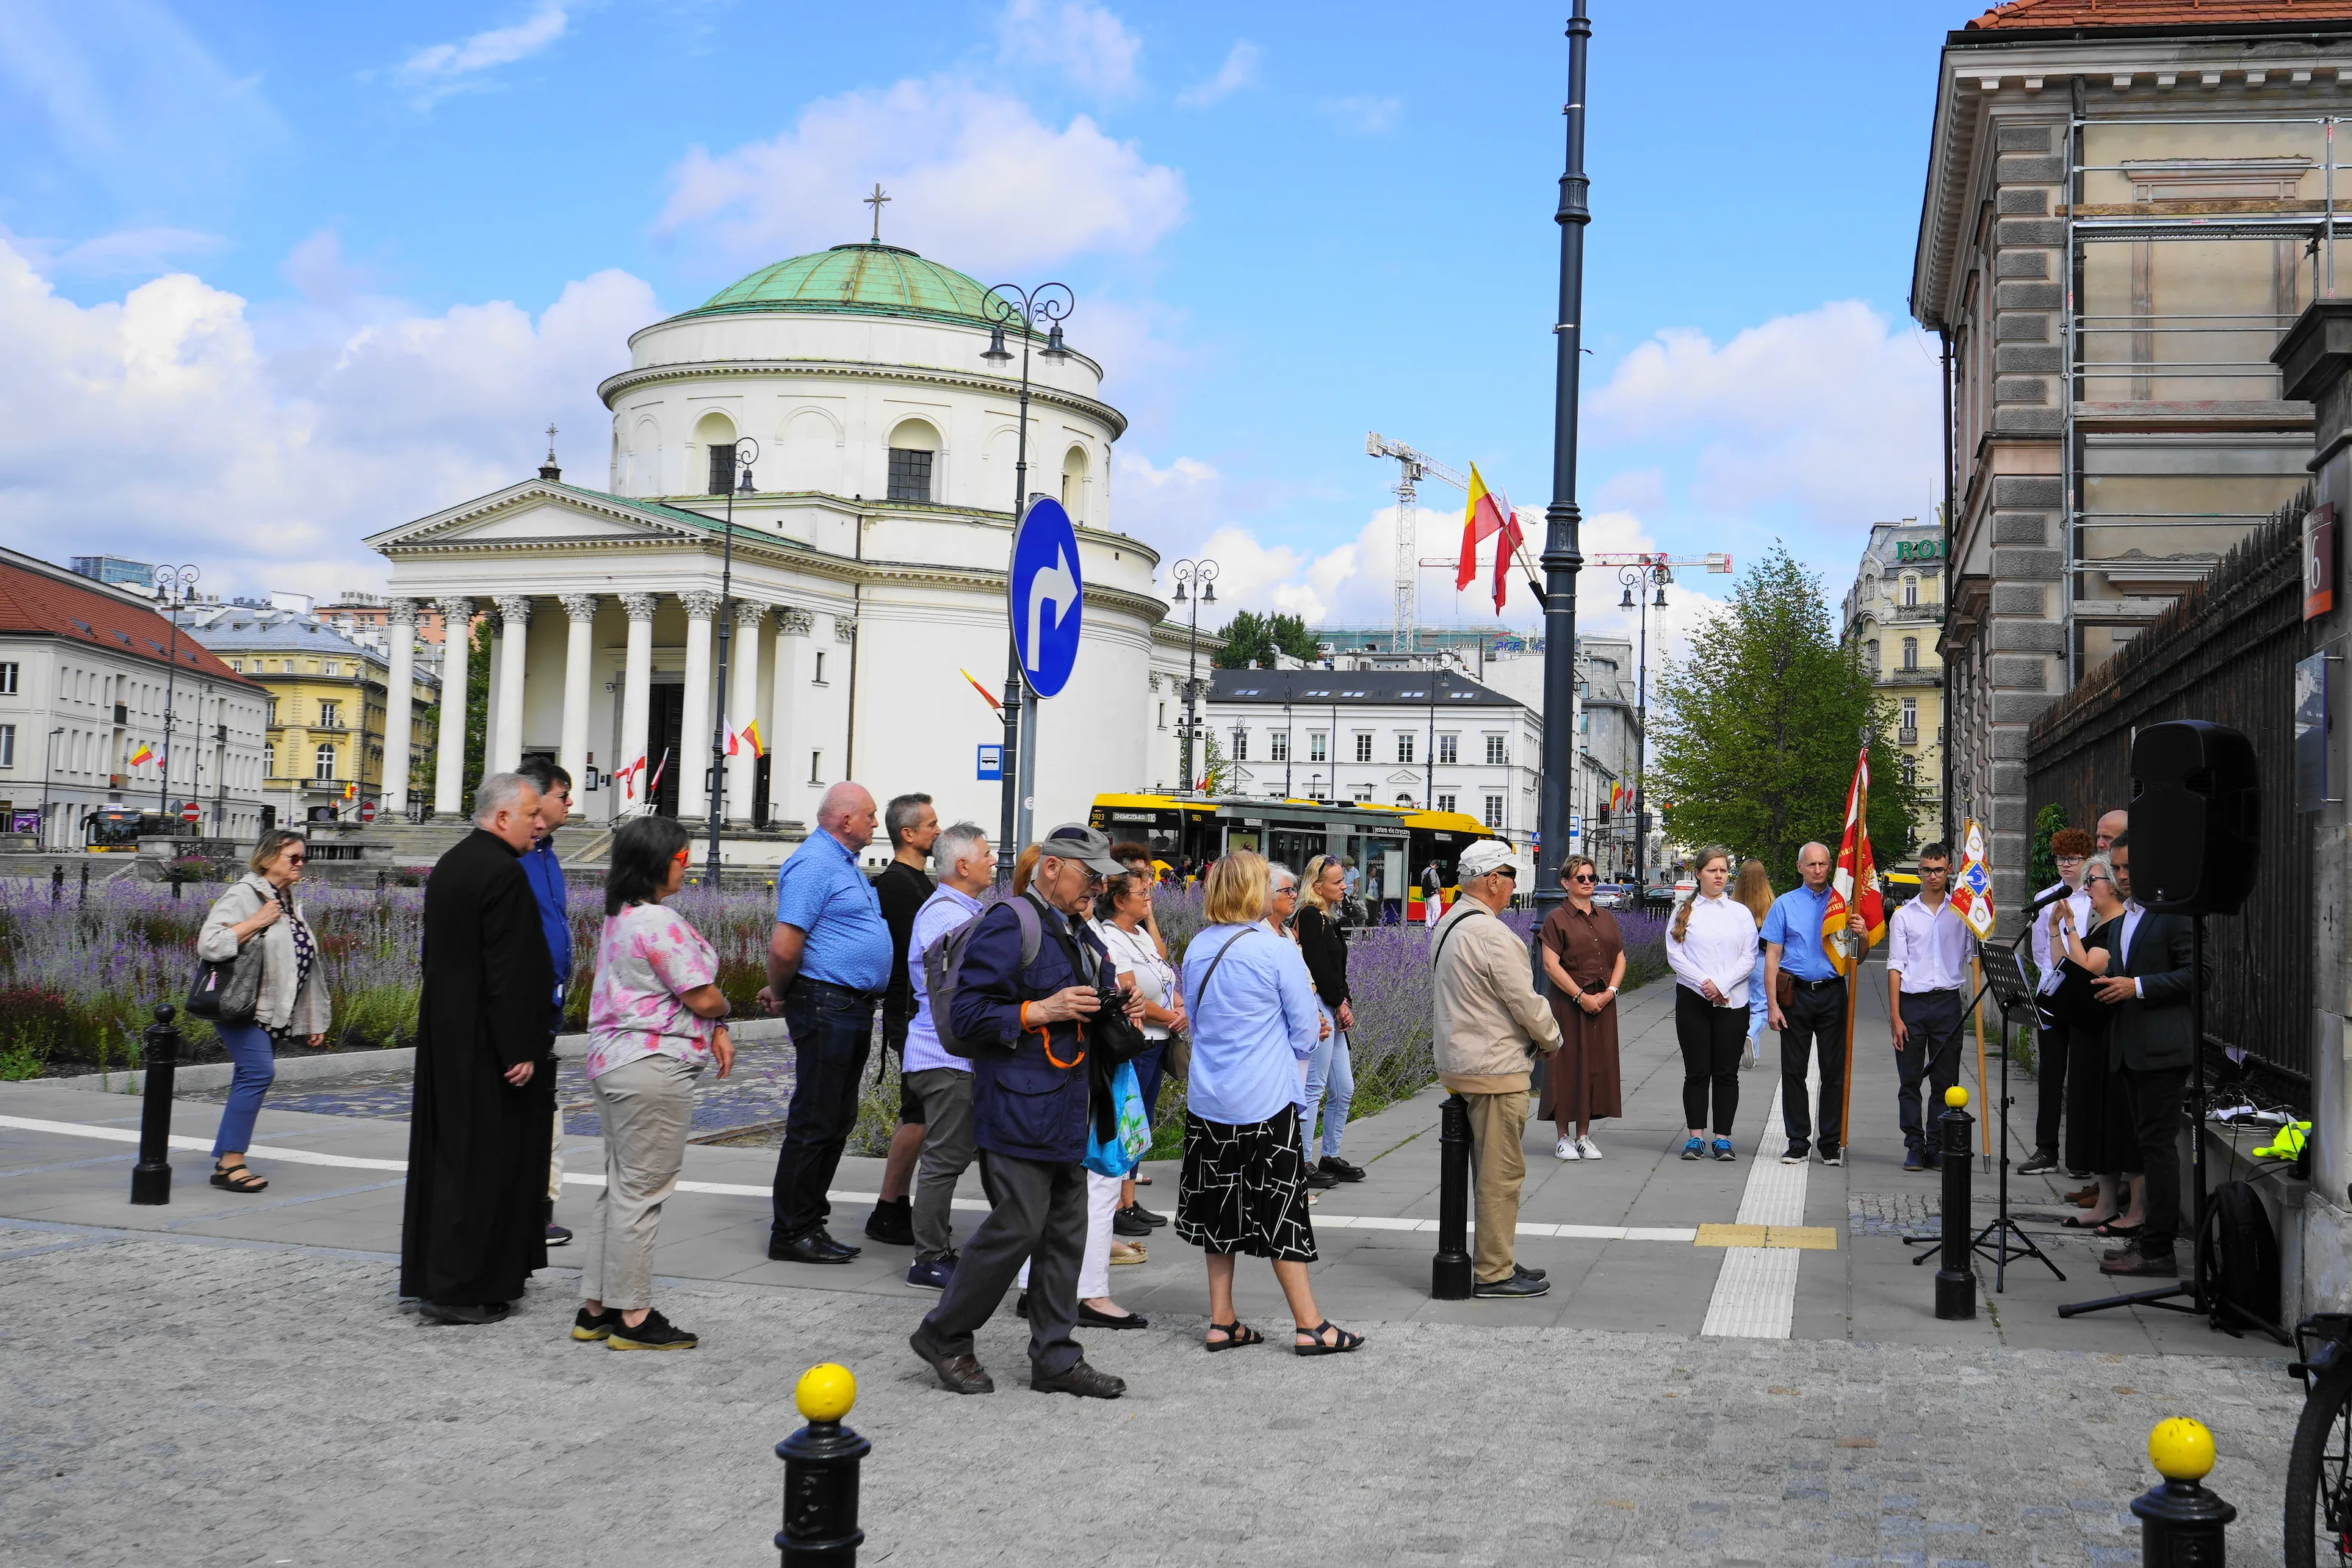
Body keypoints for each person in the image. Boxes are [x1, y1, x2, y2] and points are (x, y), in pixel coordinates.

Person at [909, 825, 1138, 1398]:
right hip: (1017, 1104)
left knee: (1065, 1230)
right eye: (1090, 876)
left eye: (1103, 879)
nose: (1098, 889)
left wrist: (1117, 1002)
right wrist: (1042, 1009)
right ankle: (945, 1334)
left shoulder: (1077, 930)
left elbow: (1084, 1002)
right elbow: (967, 1017)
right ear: (1054, 868)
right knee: (1017, 1226)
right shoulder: (1013, 921)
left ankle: (1056, 1357)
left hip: (1066, 1104)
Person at [1179, 851, 1367, 1346]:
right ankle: (1309, 1324)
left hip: (1209, 1096)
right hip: (1265, 1096)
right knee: (1282, 1207)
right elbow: (1306, 1033)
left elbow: (1195, 1022)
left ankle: (1222, 1318)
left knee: (1218, 1208)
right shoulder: (1276, 949)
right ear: (1250, 891)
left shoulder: (1197, 946)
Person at [400, 773, 560, 1326]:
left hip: (451, 1033)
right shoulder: (502, 872)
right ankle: (463, 1287)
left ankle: (441, 1276)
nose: (541, 823)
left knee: (451, 1158)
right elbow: (509, 969)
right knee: (484, 1164)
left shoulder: (454, 863)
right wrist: (520, 1045)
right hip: (490, 1043)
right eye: (532, 814)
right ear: (500, 818)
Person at [572, 814, 736, 1351]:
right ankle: (634, 1316)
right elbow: (701, 994)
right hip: (653, 1063)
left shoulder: (619, 917)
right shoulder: (657, 921)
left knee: (619, 1185)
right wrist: (723, 1011)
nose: (685, 867)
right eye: (683, 858)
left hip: (613, 1061)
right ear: (658, 861)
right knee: (644, 1191)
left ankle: (596, 1307)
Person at [762, 782, 892, 1265]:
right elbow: (783, 946)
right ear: (845, 820)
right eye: (871, 816)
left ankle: (809, 1222)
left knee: (836, 1119)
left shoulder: (841, 863)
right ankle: (792, 1229)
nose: (875, 824)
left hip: (847, 1004)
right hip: (827, 1004)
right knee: (816, 1118)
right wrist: (781, 990)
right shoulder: (815, 863)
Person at [1429, 839, 1561, 1297]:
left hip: (1460, 1061)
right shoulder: (1492, 933)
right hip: (1494, 1067)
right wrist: (1551, 1038)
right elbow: (1523, 1000)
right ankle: (1493, 1272)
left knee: (1490, 1171)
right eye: (1511, 878)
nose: (1513, 888)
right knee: (1500, 1174)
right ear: (1492, 880)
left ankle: (1498, 1256)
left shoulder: (1450, 922)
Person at [2088, 833, 2201, 1279]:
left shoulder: (2175, 910)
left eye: (2130, 867)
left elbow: (2198, 974)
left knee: (2159, 1150)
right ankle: (2149, 1236)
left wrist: (2137, 987)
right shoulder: (2125, 918)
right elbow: (2117, 972)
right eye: (2116, 869)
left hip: (2162, 1049)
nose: (2122, 876)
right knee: (2145, 1147)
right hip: (2130, 1047)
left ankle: (2159, 1250)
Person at [194, 830, 331, 1193]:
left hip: (266, 1009)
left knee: (250, 1077)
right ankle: (230, 1163)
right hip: (240, 1005)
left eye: (304, 857)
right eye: (294, 858)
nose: (301, 864)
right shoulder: (245, 894)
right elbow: (209, 942)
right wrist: (255, 921)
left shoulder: (286, 898)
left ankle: (226, 1159)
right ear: (269, 858)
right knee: (257, 1073)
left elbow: (304, 963)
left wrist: (312, 1019)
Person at [2050, 849, 2142, 1237]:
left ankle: (2135, 1209)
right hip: (2088, 1031)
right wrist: (2057, 929)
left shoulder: (2118, 926)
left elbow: (2088, 968)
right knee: (2095, 1119)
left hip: (2110, 1034)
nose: (2086, 889)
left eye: (2093, 881)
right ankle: (2105, 1204)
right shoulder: (2097, 928)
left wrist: (2070, 929)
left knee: (2117, 1122)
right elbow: (2063, 968)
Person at [865, 791, 939, 1249]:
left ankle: (895, 1204)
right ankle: (889, 1206)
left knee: (921, 1112)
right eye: (930, 824)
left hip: (916, 1011)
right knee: (917, 1112)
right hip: (909, 1012)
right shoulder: (895, 885)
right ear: (908, 834)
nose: (938, 830)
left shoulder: (919, 884)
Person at [1761, 841, 1866, 1167]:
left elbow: (1857, 959)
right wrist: (1773, 1006)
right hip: (1796, 994)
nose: (1818, 871)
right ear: (1799, 867)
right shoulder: (1784, 905)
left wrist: (1861, 935)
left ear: (1830, 865)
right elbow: (1772, 959)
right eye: (1811, 865)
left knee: (1834, 1070)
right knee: (1793, 1070)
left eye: (1823, 865)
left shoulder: (1844, 904)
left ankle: (1830, 1142)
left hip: (1834, 992)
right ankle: (1797, 1141)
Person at [1100, 842, 1183, 1240]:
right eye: (1141, 891)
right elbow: (1132, 995)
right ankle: (1117, 1203)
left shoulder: (1139, 934)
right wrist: (1175, 1016)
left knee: (1142, 1122)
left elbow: (1163, 971)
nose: (1149, 894)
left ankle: (1129, 1200)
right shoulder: (1111, 938)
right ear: (1119, 900)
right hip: (1140, 1040)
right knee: (1126, 1121)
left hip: (1159, 1038)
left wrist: (1149, 919)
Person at [514, 756, 577, 1248]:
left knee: (545, 1112)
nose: (570, 803)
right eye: (563, 794)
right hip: (519, 1007)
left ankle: (540, 1207)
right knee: (528, 1115)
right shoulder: (513, 857)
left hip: (545, 1008)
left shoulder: (547, 854)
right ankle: (528, 1209)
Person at [1664, 846, 1756, 1163]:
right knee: (1697, 1071)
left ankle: (1723, 1139)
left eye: (1723, 870)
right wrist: (1705, 984)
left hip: (1733, 1001)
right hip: (1694, 1000)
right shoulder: (1683, 911)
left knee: (1726, 1072)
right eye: (1712, 870)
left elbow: (1749, 956)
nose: (1719, 876)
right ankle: (1695, 1138)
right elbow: (1675, 955)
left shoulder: (1740, 913)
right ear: (1698, 873)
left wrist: (1722, 984)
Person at [1887, 842, 1972, 1174]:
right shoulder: (1903, 915)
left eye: (1939, 869)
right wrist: (1895, 1017)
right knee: (1910, 1079)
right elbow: (1895, 966)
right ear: (1919, 872)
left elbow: (1971, 956)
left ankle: (1936, 1143)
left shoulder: (1962, 914)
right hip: (1913, 1003)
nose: (1933, 876)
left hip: (1948, 1002)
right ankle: (1914, 1143)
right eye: (1926, 869)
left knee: (1945, 1080)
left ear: (1948, 870)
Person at [2019, 826, 2096, 1177]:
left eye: (2073, 859)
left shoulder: (2095, 899)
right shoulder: (2047, 896)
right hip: (2053, 994)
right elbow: (2040, 953)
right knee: (2050, 1074)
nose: (2066, 865)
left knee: (2080, 1077)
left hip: (2083, 996)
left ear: (2087, 860)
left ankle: (2081, 1155)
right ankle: (2046, 1149)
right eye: (2061, 858)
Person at [1537, 854, 1624, 1162]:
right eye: (1581, 878)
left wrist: (1610, 992)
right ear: (1565, 883)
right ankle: (1563, 1137)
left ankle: (1584, 1136)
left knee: (1594, 1066)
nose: (1588, 883)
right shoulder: (1556, 919)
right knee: (1566, 1066)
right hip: (1569, 1004)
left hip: (1603, 1002)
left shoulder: (1605, 916)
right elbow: (1550, 965)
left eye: (1591, 878)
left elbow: (1620, 957)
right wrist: (1580, 997)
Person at [1294, 853, 1363, 1184]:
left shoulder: (1327, 918)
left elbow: (1337, 968)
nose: (1344, 885)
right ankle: (1304, 1160)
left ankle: (1330, 1154)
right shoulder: (1309, 916)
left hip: (1332, 1004)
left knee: (1343, 1087)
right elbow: (1317, 966)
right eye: (1336, 881)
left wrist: (1344, 1001)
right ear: (1318, 886)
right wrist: (1338, 1004)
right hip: (1320, 1005)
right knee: (1315, 1086)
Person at [1733, 859, 1774, 1069]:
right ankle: (1750, 1035)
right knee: (1761, 1009)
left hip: (1737, 962)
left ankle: (1753, 1052)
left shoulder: (1732, 905)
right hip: (1761, 960)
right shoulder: (1770, 905)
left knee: (1741, 1005)